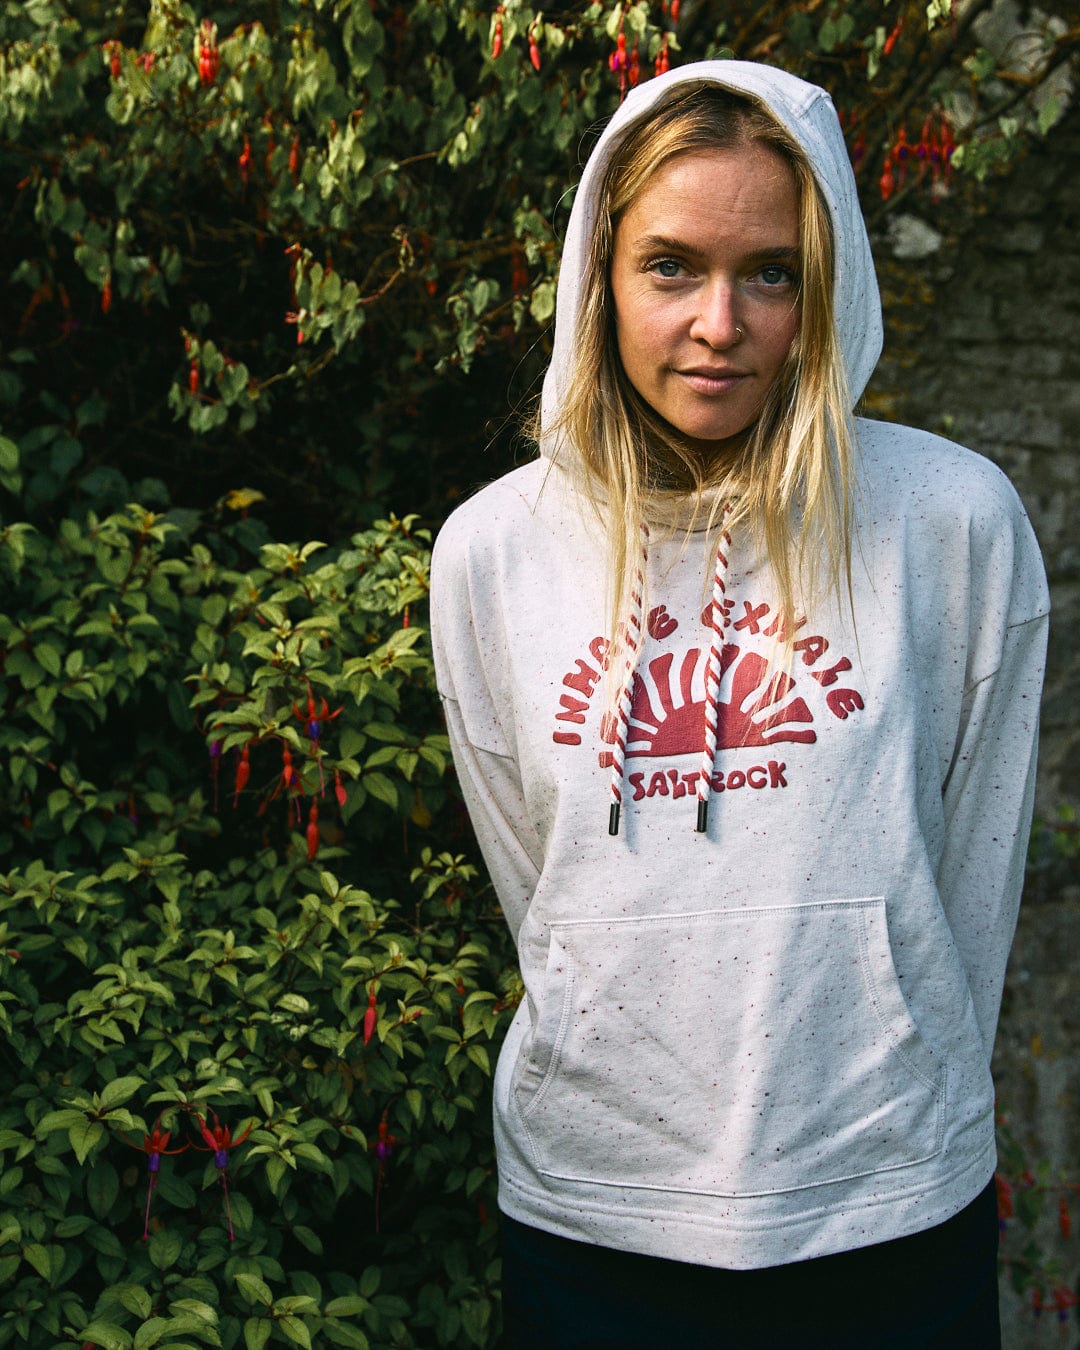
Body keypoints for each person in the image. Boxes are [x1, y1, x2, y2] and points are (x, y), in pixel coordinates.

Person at [430, 60, 1049, 1349]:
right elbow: (536, 877)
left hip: (886, 1201)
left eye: (770, 271)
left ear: (825, 288)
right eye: (671, 267)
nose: (721, 321)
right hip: (594, 1208)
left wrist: (899, 1050)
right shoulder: (496, 551)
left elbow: (974, 866)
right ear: (599, 277)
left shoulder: (950, 524)